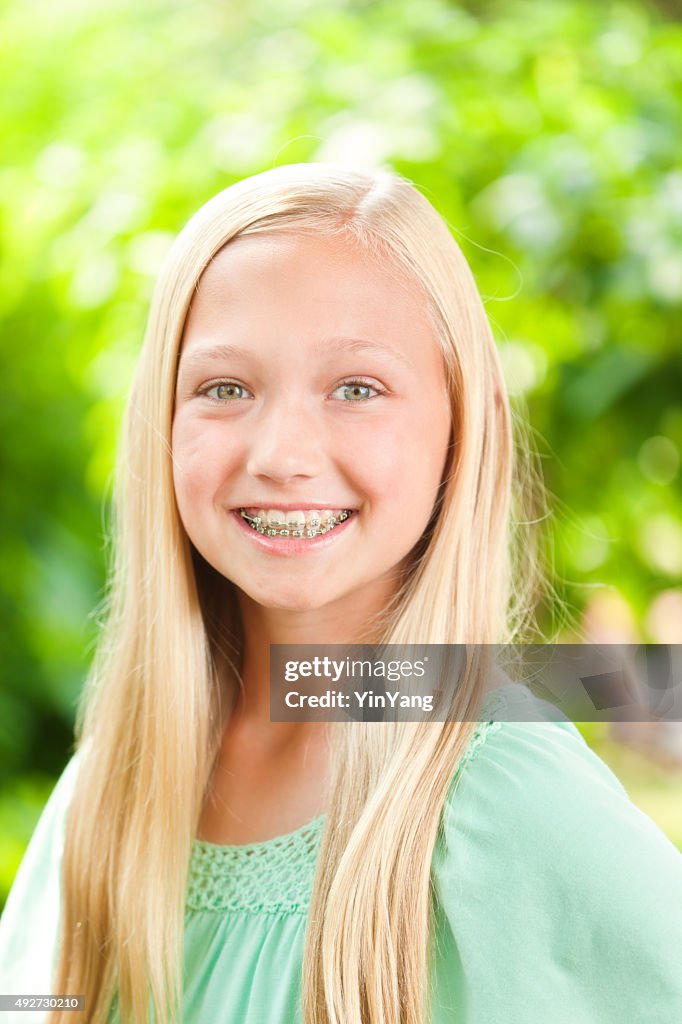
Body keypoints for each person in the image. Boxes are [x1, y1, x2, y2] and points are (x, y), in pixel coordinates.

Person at [0, 163, 681, 1024]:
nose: (281, 453)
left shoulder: (502, 795)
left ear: (462, 429)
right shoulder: (111, 790)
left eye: (356, 388)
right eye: (224, 388)